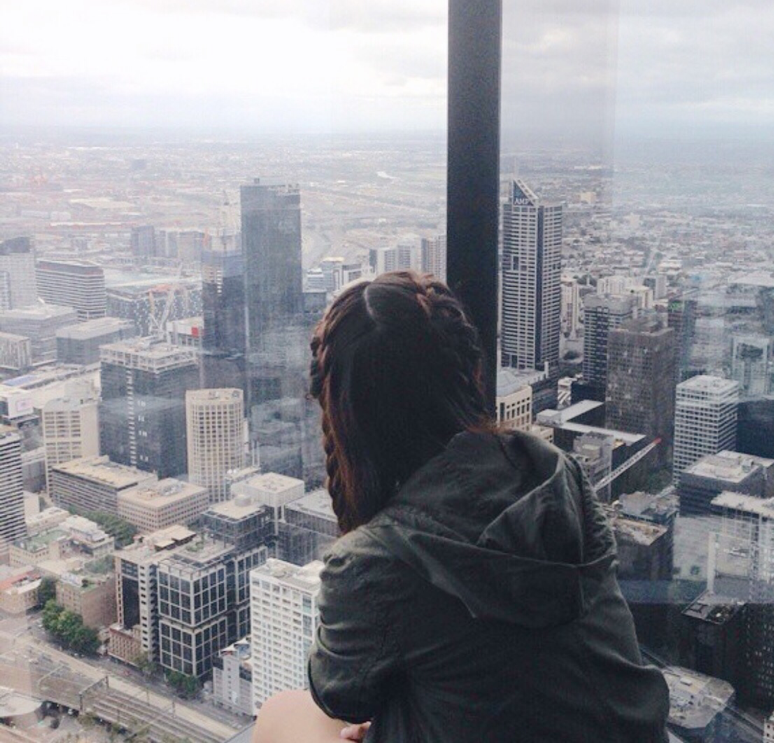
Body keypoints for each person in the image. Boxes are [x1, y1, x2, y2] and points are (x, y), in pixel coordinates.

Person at [254, 271, 669, 742]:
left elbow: (338, 693)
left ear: (343, 414)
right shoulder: (553, 473)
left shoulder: (376, 560)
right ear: (467, 372)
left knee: (281, 714)